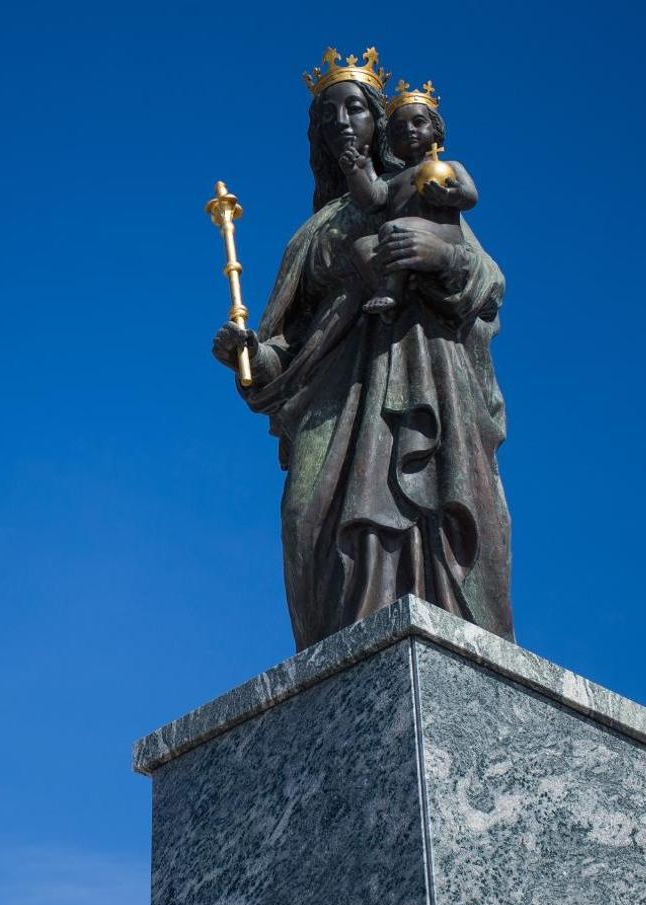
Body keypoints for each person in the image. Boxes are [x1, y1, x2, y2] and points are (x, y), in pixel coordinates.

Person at [211, 47, 513, 650]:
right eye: (328, 115)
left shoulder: (419, 188)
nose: (342, 122)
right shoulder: (314, 233)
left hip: (423, 373)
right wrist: (252, 355)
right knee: (306, 518)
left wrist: (442, 255)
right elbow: (290, 341)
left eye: (354, 109)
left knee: (424, 506)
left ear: (380, 119)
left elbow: (487, 283)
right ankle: (341, 664)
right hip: (335, 391)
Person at [343, 80, 478, 318]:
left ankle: (392, 290)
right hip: (398, 232)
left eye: (418, 122)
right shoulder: (392, 180)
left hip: (443, 233)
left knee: (393, 228)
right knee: (360, 247)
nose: (409, 130)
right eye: (399, 128)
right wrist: (355, 173)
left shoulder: (450, 166)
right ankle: (389, 295)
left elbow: (471, 197)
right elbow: (371, 200)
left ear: (435, 129)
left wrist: (451, 195)